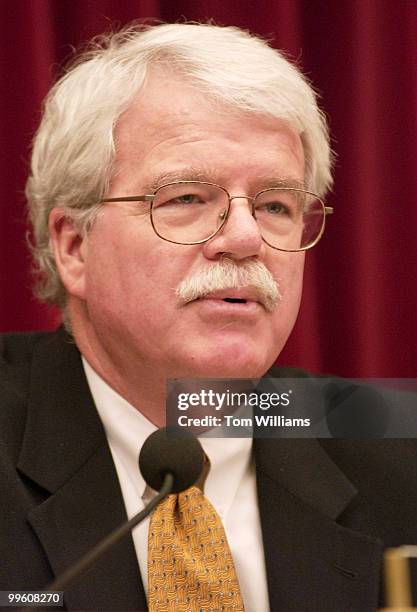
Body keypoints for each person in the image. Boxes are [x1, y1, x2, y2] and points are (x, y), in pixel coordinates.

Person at [0, 22, 415, 612]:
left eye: (275, 204)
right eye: (187, 198)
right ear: (74, 246)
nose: (245, 238)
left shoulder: (396, 446)